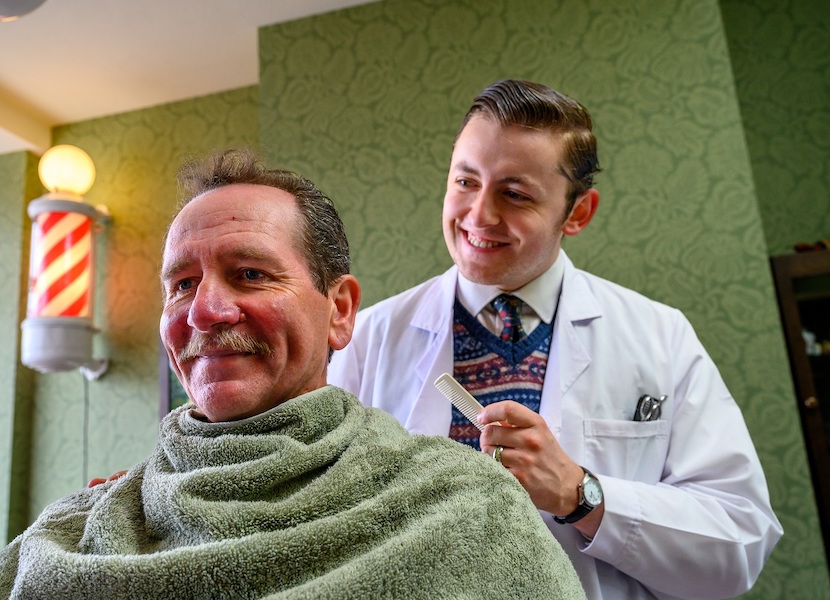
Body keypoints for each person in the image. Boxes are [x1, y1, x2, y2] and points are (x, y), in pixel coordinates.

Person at [0, 148, 585, 599]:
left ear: (340, 310)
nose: (205, 311)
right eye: (182, 285)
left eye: (250, 274)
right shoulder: (73, 537)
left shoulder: (465, 509)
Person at [327, 80, 783, 599]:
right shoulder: (367, 338)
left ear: (578, 213)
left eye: (515, 194)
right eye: (465, 182)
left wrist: (578, 494)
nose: (478, 216)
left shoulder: (661, 336)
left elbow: (738, 543)